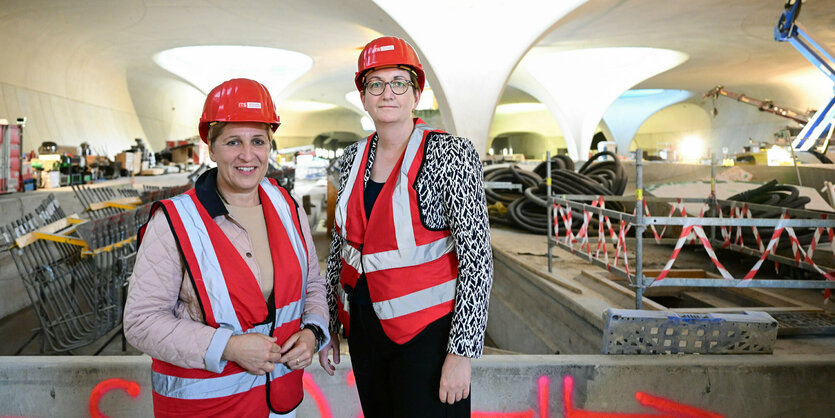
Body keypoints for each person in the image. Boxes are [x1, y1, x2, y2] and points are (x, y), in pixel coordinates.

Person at [124, 78, 329, 418]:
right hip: (207, 408)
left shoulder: (286, 207)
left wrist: (312, 333)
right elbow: (142, 322)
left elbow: (313, 285)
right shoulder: (176, 221)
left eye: (258, 141)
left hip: (278, 402)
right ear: (212, 148)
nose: (248, 155)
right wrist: (229, 347)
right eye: (233, 141)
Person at [320, 36, 493, 417]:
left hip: (428, 338)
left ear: (416, 94)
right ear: (363, 96)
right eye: (376, 84)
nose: (387, 93)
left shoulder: (450, 155)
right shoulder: (353, 159)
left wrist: (461, 352)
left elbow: (477, 259)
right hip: (366, 333)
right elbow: (340, 247)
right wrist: (331, 323)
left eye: (399, 82)